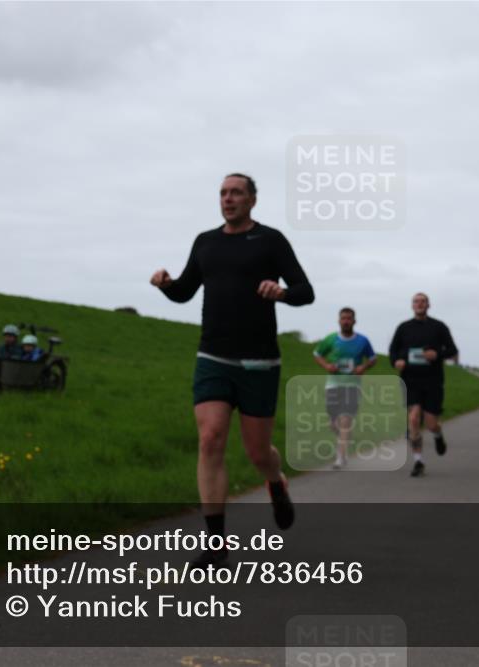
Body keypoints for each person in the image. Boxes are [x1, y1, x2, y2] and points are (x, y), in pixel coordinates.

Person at [151, 173, 314, 568]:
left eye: (236, 192)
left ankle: (275, 482)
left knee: (258, 453)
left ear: (253, 200)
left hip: (259, 360)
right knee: (210, 439)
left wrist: (282, 293)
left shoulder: (271, 240)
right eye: (223, 193)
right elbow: (186, 291)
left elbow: (305, 291)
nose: (228, 198)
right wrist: (166, 284)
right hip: (213, 356)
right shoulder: (206, 242)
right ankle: (216, 543)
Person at [388, 293, 459, 477]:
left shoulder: (439, 327)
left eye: (423, 301)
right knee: (413, 419)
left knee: (430, 423)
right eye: (416, 301)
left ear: (429, 305)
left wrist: (437, 354)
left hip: (433, 381)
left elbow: (452, 350)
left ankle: (437, 435)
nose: (419, 304)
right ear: (412, 305)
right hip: (410, 380)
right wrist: (396, 362)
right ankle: (418, 460)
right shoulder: (403, 328)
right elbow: (393, 351)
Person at [312, 307, 377, 469]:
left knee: (345, 420)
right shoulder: (331, 339)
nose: (346, 321)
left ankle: (340, 457)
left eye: (349, 318)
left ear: (354, 321)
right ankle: (345, 436)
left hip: (352, 386)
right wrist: (327, 365)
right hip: (333, 386)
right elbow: (316, 354)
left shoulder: (362, 340)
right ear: (339, 321)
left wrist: (364, 367)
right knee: (334, 424)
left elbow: (373, 358)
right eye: (343, 318)